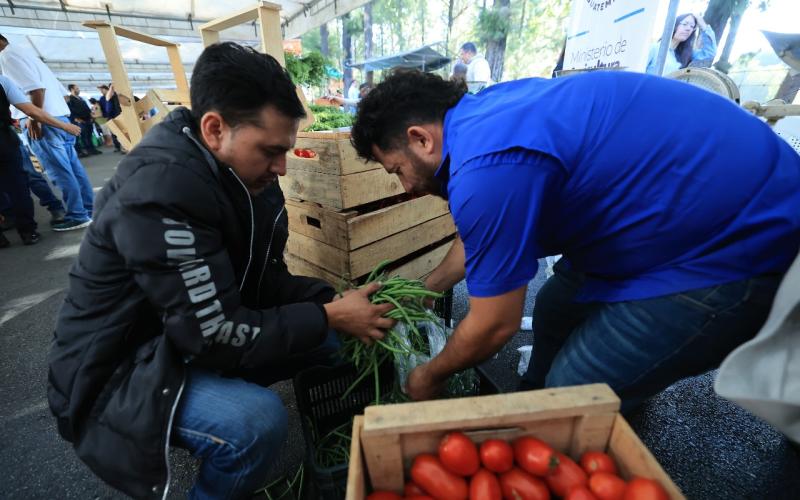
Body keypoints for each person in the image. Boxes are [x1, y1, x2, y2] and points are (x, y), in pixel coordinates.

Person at [47, 42, 394, 499]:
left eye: (287, 150)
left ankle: (327, 450)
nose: (282, 167)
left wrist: (327, 299)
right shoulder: (162, 188)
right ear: (214, 128)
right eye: (271, 150)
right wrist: (328, 316)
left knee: (333, 336)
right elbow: (212, 335)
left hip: (180, 335)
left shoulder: (242, 174)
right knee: (254, 424)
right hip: (120, 368)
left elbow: (260, 280)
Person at [350, 69, 800, 411]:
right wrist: (422, 292)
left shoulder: (486, 167)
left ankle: (576, 410)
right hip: (673, 216)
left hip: (737, 243)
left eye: (397, 170)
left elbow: (494, 324)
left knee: (571, 394)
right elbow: (484, 242)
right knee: (555, 307)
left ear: (420, 139)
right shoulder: (486, 118)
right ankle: (543, 404)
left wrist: (428, 376)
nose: (405, 187)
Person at [0, 33, 94, 232]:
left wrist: (35, 119)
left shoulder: (7, 57)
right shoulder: (27, 54)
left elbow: (36, 89)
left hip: (44, 121)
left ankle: (77, 215)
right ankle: (87, 210)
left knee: (60, 172)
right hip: (60, 117)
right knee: (74, 170)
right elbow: (62, 94)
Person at [0, 74, 80, 248]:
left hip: (6, 138)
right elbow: (32, 110)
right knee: (19, 186)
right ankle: (28, 232)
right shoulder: (2, 80)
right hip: (4, 141)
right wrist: (65, 126)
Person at [646, 13, 717, 75]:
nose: (688, 29)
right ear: (674, 25)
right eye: (685, 24)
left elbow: (709, 53)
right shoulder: (655, 48)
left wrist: (702, 24)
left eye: (692, 26)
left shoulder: (686, 54)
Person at [67, 83, 102, 157]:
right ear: (72, 89)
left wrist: (91, 116)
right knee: (84, 136)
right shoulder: (70, 99)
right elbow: (71, 111)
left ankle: (92, 149)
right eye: (77, 88)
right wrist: (77, 119)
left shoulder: (81, 98)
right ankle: (86, 150)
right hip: (80, 121)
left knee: (89, 135)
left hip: (88, 119)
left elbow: (86, 108)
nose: (78, 90)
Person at [97, 83, 123, 152]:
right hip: (110, 117)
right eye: (100, 90)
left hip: (118, 116)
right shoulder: (102, 98)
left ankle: (123, 146)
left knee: (121, 132)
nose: (101, 91)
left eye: (102, 90)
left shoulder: (116, 96)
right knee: (114, 133)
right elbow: (104, 109)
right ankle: (117, 147)